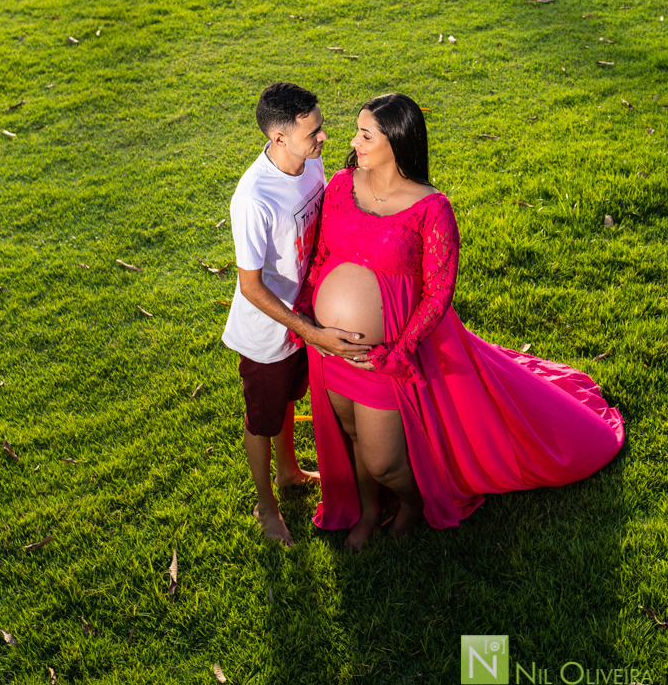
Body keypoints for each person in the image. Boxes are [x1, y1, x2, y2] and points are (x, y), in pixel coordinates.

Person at [292, 93, 625, 550]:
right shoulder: (342, 185)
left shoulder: (432, 209)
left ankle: (410, 504)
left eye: (365, 134)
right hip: (328, 349)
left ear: (396, 141)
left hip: (383, 358)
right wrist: (310, 318)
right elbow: (323, 255)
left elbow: (438, 293)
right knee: (349, 434)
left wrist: (399, 350)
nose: (353, 141)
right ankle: (369, 511)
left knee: (384, 459)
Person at [221, 82, 370, 546]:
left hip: (306, 318)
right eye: (315, 131)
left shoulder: (309, 162)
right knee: (261, 421)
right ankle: (266, 504)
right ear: (279, 138)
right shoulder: (253, 199)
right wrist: (313, 332)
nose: (324, 138)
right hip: (269, 334)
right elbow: (250, 287)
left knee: (288, 400)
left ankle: (288, 473)